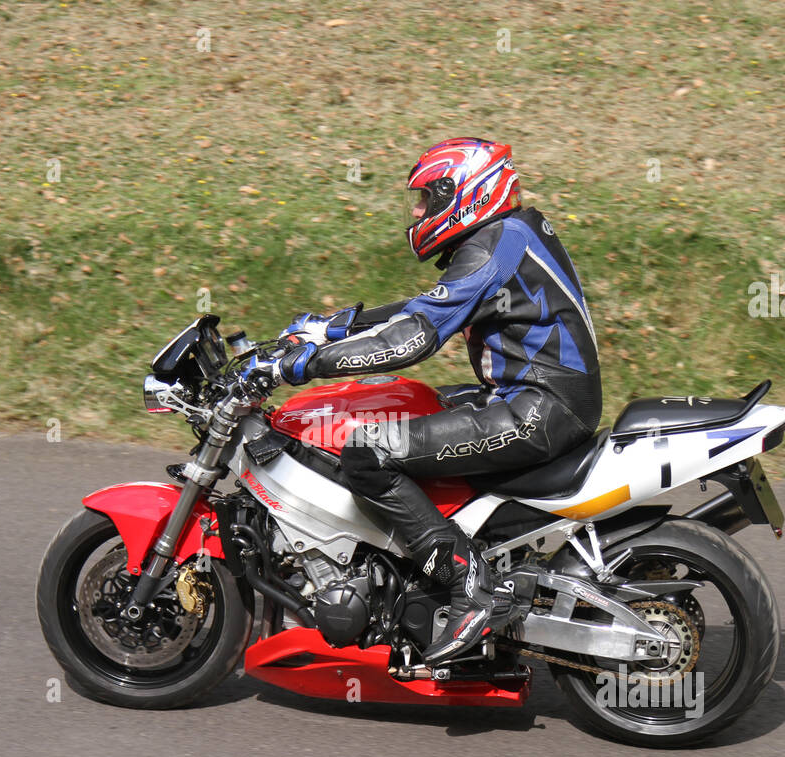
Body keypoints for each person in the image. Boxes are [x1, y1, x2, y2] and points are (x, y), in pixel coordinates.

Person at [243, 138, 602, 664]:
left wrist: (300, 364)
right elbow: (428, 307)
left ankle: (470, 585)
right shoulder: (510, 233)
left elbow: (414, 337)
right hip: (537, 398)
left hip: (537, 410)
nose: (416, 212)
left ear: (467, 193)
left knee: (366, 452)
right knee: (412, 405)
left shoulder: (493, 246)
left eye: (427, 199)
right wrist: (335, 326)